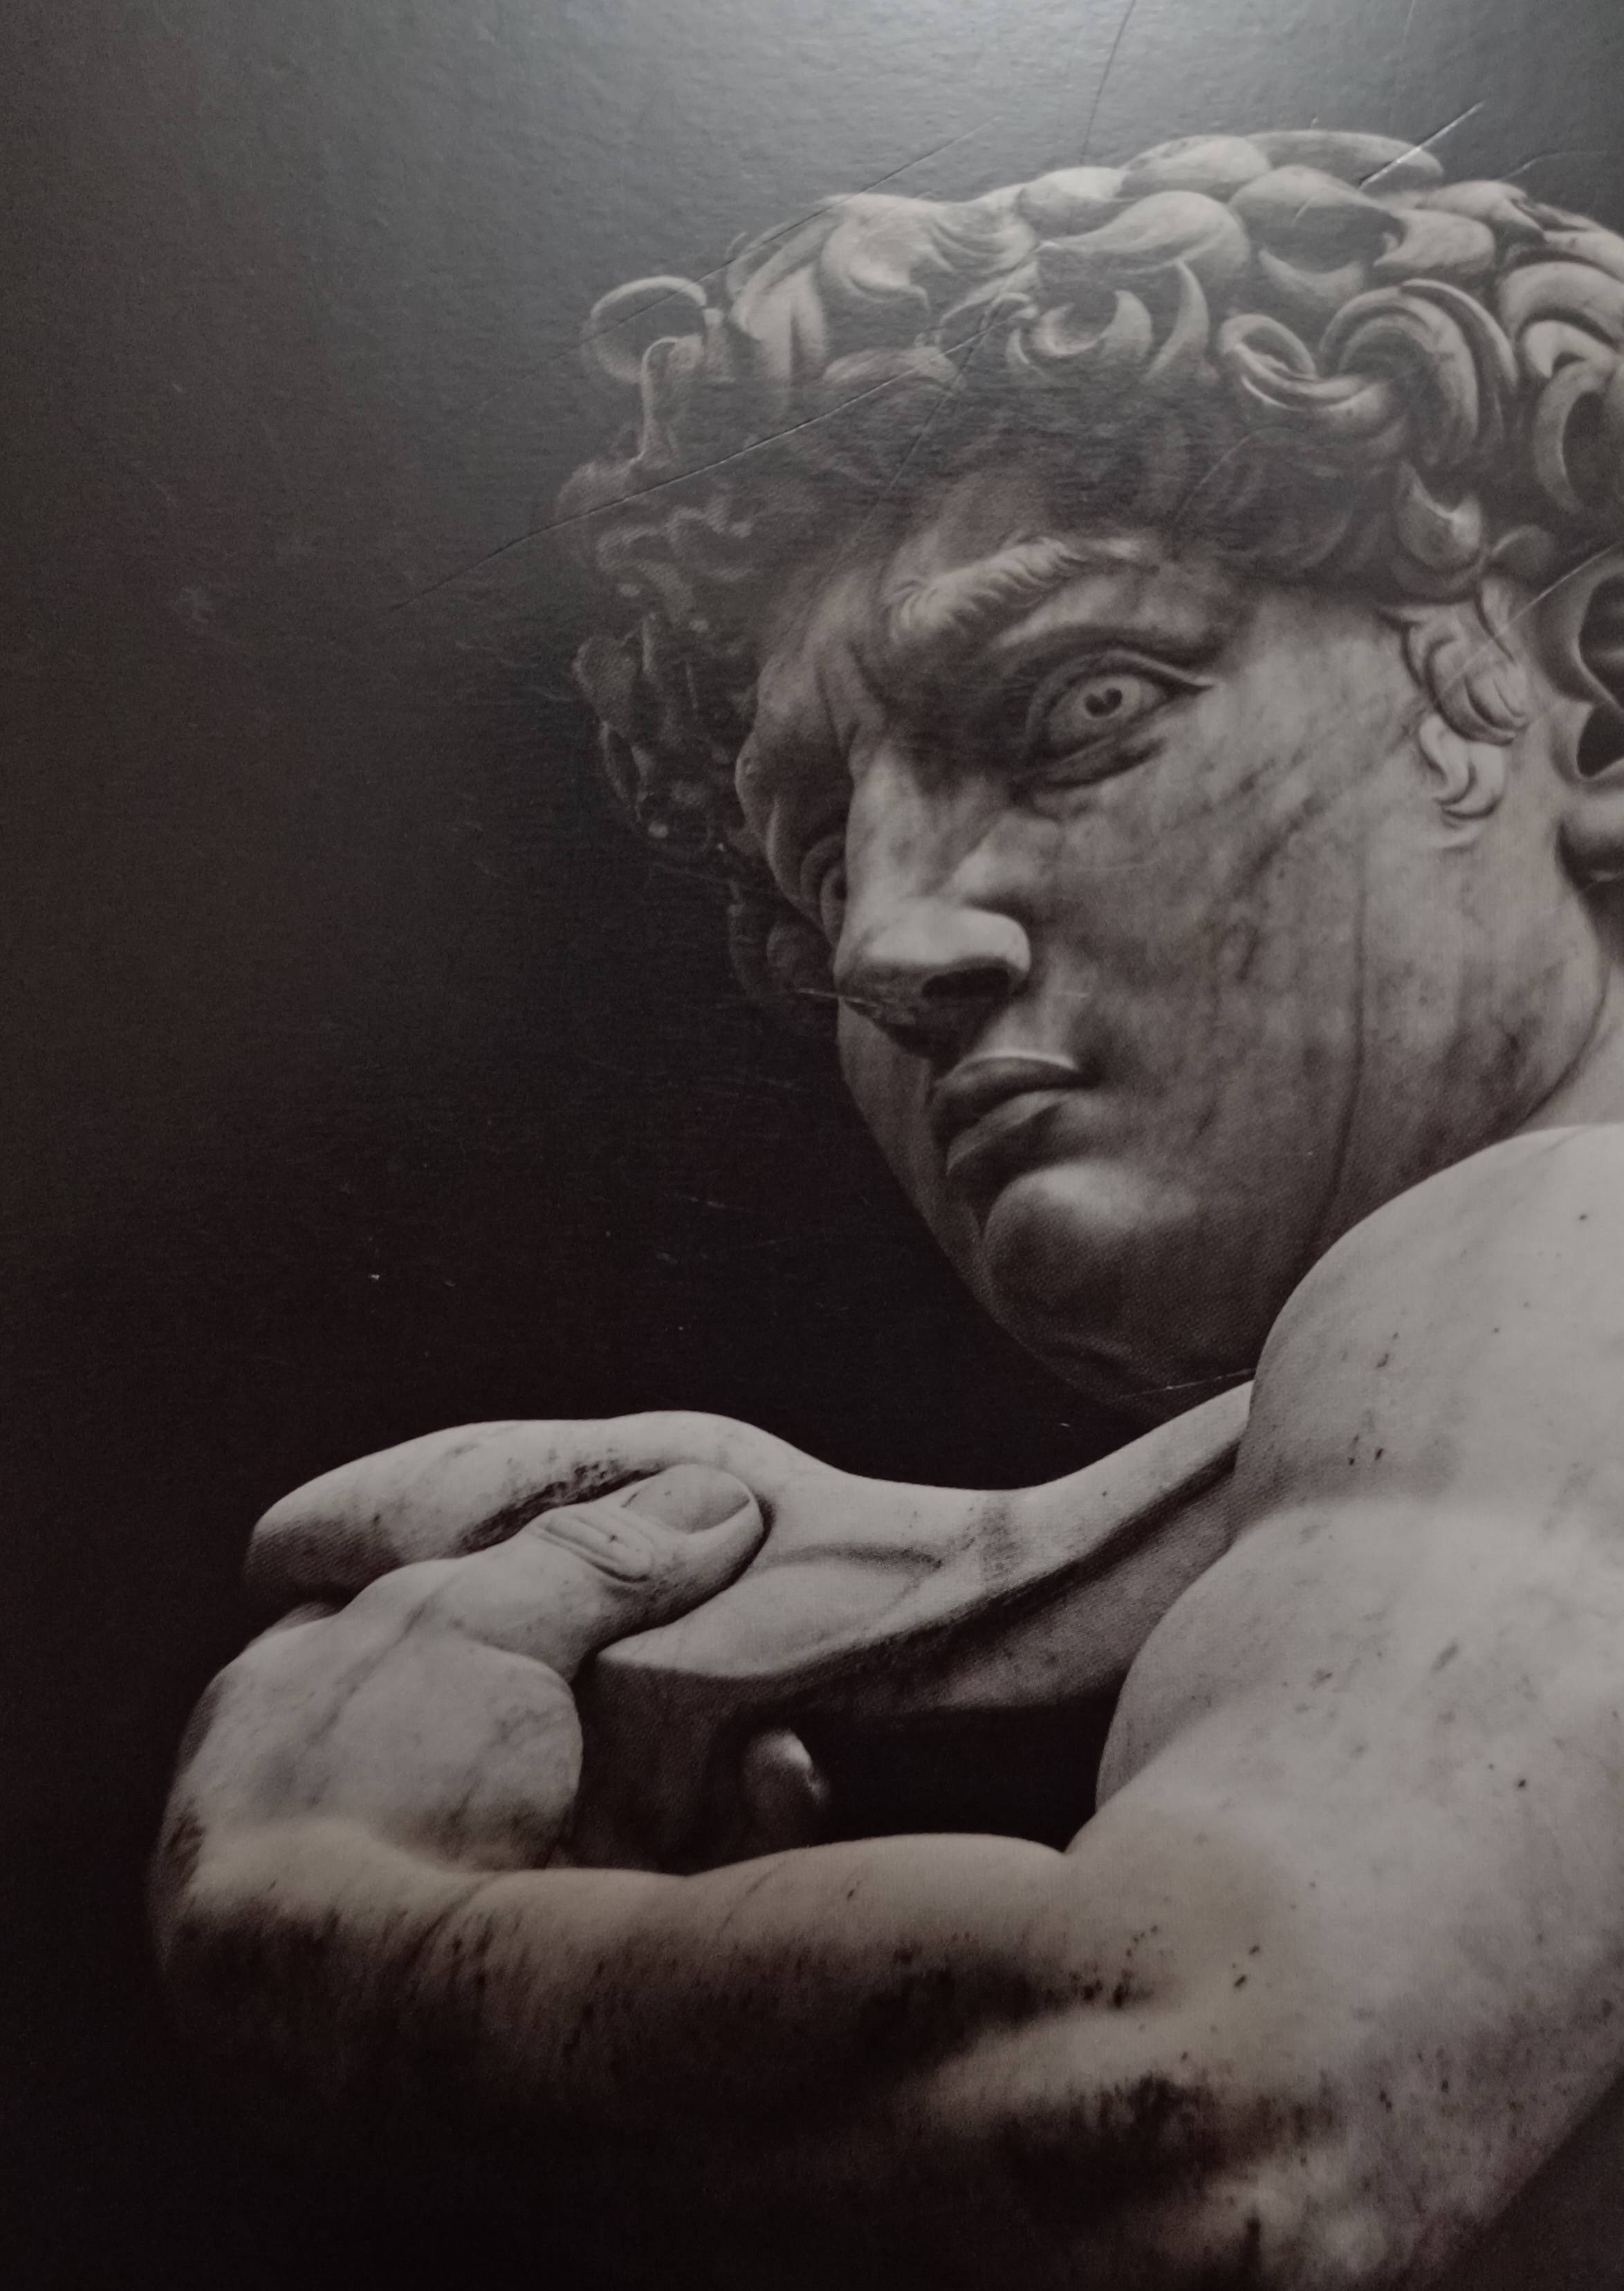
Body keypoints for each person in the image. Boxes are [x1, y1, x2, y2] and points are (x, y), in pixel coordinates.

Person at [153, 131, 1624, 2285]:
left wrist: (343, 1930)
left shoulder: (1559, 1247)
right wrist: (924, 1574)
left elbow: (1201, 2107)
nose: (885, 947)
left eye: (1079, 708)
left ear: (1588, 693)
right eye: (823, 856)